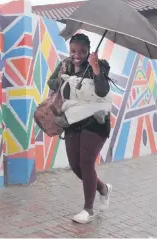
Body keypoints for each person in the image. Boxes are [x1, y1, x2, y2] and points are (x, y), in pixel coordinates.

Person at [47, 33, 112, 224]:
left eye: (82, 51)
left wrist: (95, 67)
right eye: (74, 51)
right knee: (76, 166)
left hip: (95, 122)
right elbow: (52, 84)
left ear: (88, 51)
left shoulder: (98, 65)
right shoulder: (66, 64)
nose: (77, 55)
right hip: (73, 120)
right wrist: (62, 73)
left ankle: (88, 210)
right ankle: (103, 189)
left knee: (86, 163)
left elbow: (102, 91)